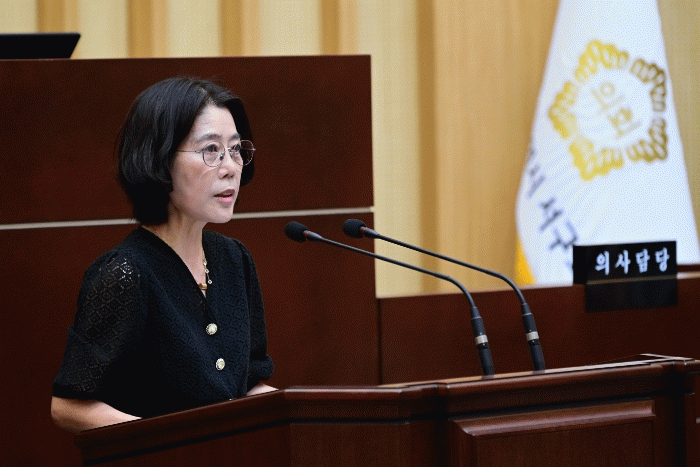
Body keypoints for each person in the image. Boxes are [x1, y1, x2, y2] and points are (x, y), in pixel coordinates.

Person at [51, 77, 275, 433]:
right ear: (159, 158)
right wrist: (172, 445)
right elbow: (69, 407)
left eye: (235, 149)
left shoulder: (234, 260)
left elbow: (249, 383)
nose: (231, 167)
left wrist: (298, 417)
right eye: (211, 149)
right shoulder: (125, 274)